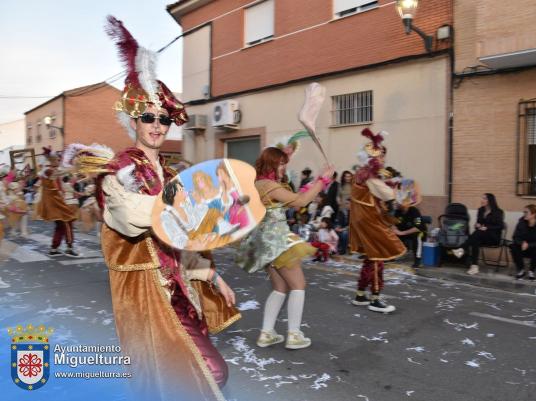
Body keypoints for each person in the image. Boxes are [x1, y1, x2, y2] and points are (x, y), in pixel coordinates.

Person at [88, 16, 237, 401]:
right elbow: (129, 216)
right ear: (134, 120)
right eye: (149, 117)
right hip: (146, 296)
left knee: (183, 377)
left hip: (179, 291)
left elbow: (183, 238)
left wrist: (213, 277)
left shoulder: (171, 172)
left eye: (164, 118)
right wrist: (181, 203)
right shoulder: (120, 168)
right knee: (203, 372)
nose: (157, 125)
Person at [236, 146, 334, 350]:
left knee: (280, 288)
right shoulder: (268, 185)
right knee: (299, 285)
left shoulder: (260, 183)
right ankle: (294, 335)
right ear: (272, 163)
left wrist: (314, 182)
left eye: (284, 164)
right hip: (277, 241)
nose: (283, 168)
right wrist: (322, 181)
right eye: (281, 164)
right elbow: (300, 202)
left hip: (265, 243)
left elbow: (290, 201)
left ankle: (267, 333)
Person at [350, 128, 406, 313]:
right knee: (377, 257)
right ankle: (375, 298)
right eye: (381, 155)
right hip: (369, 221)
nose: (383, 159)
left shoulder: (363, 173)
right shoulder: (369, 175)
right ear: (372, 157)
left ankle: (360, 294)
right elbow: (387, 193)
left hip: (364, 219)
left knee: (370, 258)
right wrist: (402, 195)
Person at [36, 147, 79, 257]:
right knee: (67, 221)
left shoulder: (49, 170)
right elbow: (59, 173)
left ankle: (54, 248)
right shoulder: (49, 170)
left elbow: (58, 181)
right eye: (58, 159)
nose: (59, 161)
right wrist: (74, 167)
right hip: (55, 203)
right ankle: (69, 247)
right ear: (52, 160)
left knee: (60, 225)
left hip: (55, 202)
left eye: (59, 159)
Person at [452, 193, 504, 275]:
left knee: (476, 235)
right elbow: (478, 225)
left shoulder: (498, 212)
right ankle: (474, 266)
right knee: (475, 239)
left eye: (484, 198)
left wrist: (487, 228)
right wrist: (477, 225)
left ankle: (462, 249)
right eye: (482, 198)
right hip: (481, 236)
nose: (482, 200)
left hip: (493, 237)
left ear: (490, 201)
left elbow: (500, 226)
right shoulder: (481, 210)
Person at [510, 204, 536, 281]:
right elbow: (515, 237)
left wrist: (529, 245)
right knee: (513, 246)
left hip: (535, 247)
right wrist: (522, 243)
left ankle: (531, 271)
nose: (524, 214)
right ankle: (521, 270)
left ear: (533, 214)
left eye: (526, 212)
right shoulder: (521, 222)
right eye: (523, 212)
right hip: (523, 246)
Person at [394, 203, 427, 268]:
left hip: (418, 231)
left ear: (405, 204)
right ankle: (391, 256)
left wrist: (401, 233)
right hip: (403, 232)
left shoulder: (414, 211)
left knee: (417, 236)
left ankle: (418, 261)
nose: (396, 204)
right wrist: (394, 229)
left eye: (398, 203)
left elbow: (418, 227)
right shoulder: (397, 212)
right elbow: (393, 223)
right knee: (389, 234)